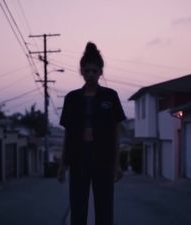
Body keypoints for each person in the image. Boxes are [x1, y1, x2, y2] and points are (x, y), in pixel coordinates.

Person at [57, 42, 126, 225]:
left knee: (104, 208)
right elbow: (67, 133)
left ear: (100, 72)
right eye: (87, 71)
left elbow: (115, 132)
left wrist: (117, 163)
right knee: (78, 209)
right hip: (78, 159)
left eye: (94, 71)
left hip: (103, 160)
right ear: (81, 72)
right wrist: (63, 164)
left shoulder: (110, 96)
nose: (90, 75)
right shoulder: (72, 99)